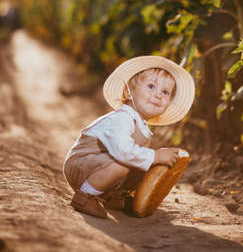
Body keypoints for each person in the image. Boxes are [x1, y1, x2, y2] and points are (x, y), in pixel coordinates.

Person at [63, 55, 195, 218]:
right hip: (81, 166)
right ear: (128, 91)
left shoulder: (141, 125)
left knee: (142, 164)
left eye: (165, 92)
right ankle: (84, 196)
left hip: (100, 165)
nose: (158, 95)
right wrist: (155, 155)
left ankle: (114, 198)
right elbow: (122, 152)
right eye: (151, 86)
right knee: (127, 162)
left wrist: (154, 159)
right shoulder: (122, 118)